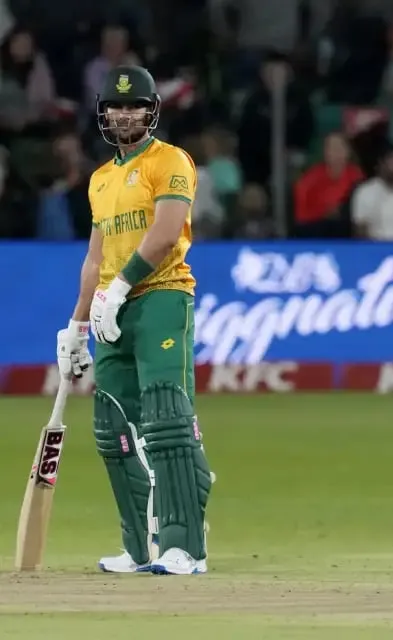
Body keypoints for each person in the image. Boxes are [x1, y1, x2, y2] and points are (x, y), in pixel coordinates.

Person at [55, 65, 214, 576]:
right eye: (116, 107)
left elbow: (167, 232)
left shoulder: (169, 161)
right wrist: (77, 326)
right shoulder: (100, 180)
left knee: (166, 419)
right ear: (104, 114)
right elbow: (94, 260)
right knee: (112, 426)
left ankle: (184, 547)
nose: (126, 114)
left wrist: (120, 289)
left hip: (161, 296)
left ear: (151, 110)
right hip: (109, 311)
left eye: (135, 106)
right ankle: (138, 548)